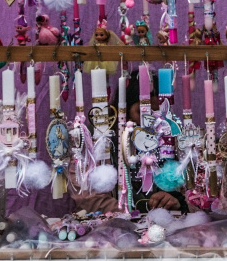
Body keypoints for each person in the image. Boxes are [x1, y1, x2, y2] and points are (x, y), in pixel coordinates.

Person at [71, 69, 185, 214]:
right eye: (142, 112)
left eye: (156, 114)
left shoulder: (167, 139)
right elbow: (87, 195)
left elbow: (187, 192)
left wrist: (174, 200)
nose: (149, 121)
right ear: (123, 108)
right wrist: (130, 211)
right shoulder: (96, 137)